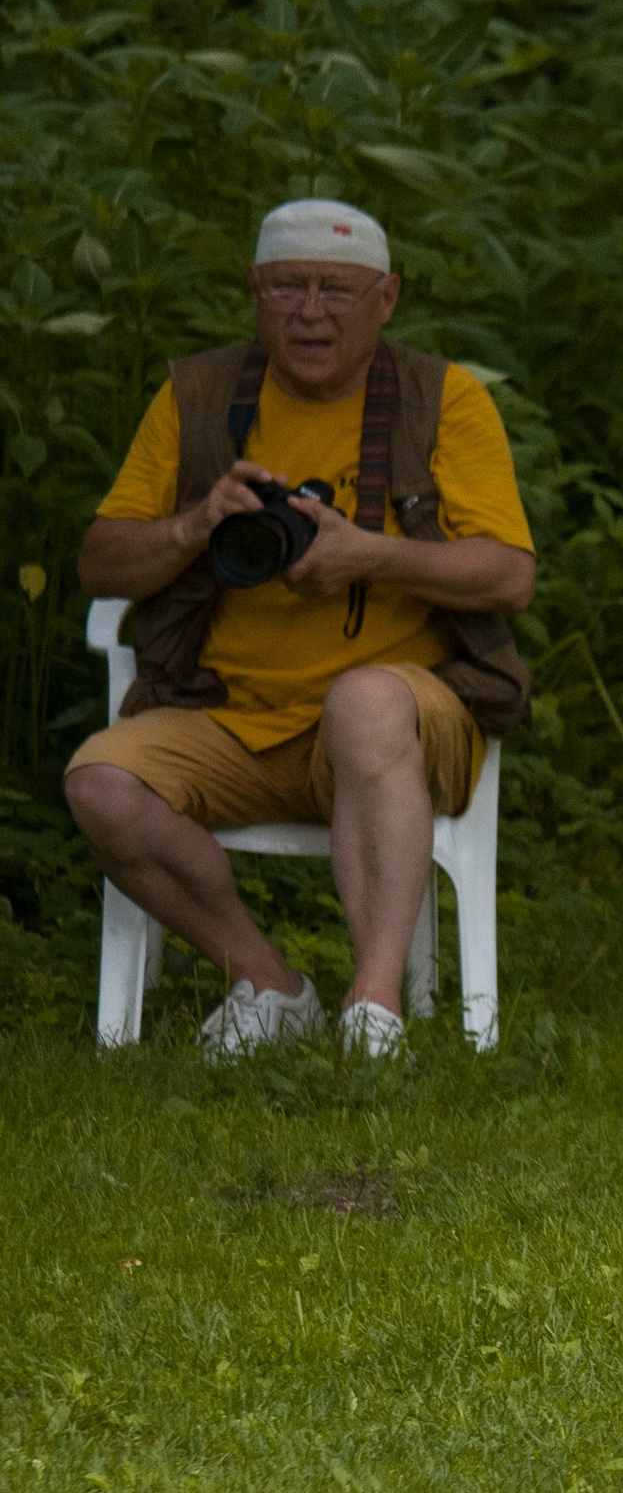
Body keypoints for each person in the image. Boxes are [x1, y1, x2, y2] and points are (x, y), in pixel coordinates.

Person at [68, 197, 536, 1057]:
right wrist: (194, 524)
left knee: (362, 701)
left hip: (396, 727)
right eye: (287, 287)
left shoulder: (443, 399)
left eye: (336, 290)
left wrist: (370, 557)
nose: (310, 310)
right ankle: (270, 985)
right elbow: (98, 562)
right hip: (224, 713)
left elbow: (509, 574)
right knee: (100, 786)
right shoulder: (199, 397)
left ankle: (374, 1011)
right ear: (254, 290)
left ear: (386, 298)